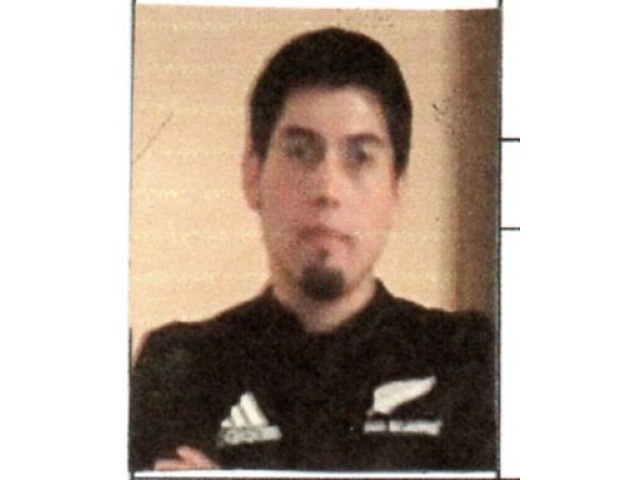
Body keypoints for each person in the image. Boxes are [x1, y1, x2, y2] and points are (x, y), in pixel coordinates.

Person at [130, 27, 495, 472]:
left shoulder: (466, 359)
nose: (328, 190)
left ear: (397, 189)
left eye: (360, 157)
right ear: (253, 175)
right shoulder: (181, 368)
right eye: (301, 152)